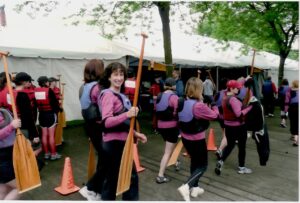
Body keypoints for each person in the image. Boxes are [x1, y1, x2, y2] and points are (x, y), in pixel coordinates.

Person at [98, 62, 147, 200]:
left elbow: (122, 125)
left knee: (123, 179)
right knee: (118, 180)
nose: (119, 78)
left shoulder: (121, 95)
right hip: (113, 144)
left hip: (121, 142)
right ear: (109, 77)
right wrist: (128, 114)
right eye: (115, 74)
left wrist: (137, 134)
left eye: (121, 74)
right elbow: (107, 122)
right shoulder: (108, 95)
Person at [176, 77, 219, 201]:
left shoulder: (181, 101)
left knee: (194, 162)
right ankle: (187, 186)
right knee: (203, 165)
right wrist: (214, 104)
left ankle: (194, 187)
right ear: (199, 89)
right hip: (197, 140)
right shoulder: (199, 106)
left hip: (185, 138)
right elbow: (215, 115)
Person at [78, 59, 104, 200]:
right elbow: (104, 109)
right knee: (107, 159)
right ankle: (90, 187)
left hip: (89, 126)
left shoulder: (84, 86)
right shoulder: (98, 87)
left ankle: (96, 189)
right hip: (99, 126)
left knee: (103, 157)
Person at [215, 80, 253, 176]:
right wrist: (249, 108)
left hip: (228, 126)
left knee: (230, 145)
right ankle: (242, 167)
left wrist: (246, 80)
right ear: (232, 88)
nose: (239, 89)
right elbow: (239, 114)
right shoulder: (233, 99)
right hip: (239, 127)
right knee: (242, 147)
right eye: (237, 88)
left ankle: (221, 161)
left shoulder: (224, 97)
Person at [155, 77, 179, 183]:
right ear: (174, 86)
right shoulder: (174, 97)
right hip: (171, 126)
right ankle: (160, 175)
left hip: (161, 126)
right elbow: (178, 111)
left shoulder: (159, 95)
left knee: (170, 146)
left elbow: (156, 109)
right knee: (167, 151)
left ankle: (176, 161)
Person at [35, 76, 61, 160]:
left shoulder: (36, 90)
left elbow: (35, 103)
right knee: (51, 136)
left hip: (41, 115)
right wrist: (59, 109)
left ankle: (46, 153)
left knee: (44, 135)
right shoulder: (49, 91)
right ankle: (53, 154)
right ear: (46, 82)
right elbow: (55, 104)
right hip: (50, 115)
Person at [0, 107, 22, 200]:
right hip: (2, 157)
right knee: (21, 187)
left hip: (9, 153)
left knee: (4, 190)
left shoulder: (3, 111)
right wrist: (11, 126)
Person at [214, 78, 228, 159]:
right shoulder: (229, 94)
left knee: (225, 132)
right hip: (227, 117)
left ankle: (221, 149)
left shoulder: (218, 93)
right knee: (228, 135)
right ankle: (220, 150)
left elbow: (214, 103)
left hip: (220, 117)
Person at [284, 80, 299, 146]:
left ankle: (294, 137)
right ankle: (295, 138)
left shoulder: (289, 91)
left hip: (292, 108)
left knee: (293, 122)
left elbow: (287, 102)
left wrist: (285, 110)